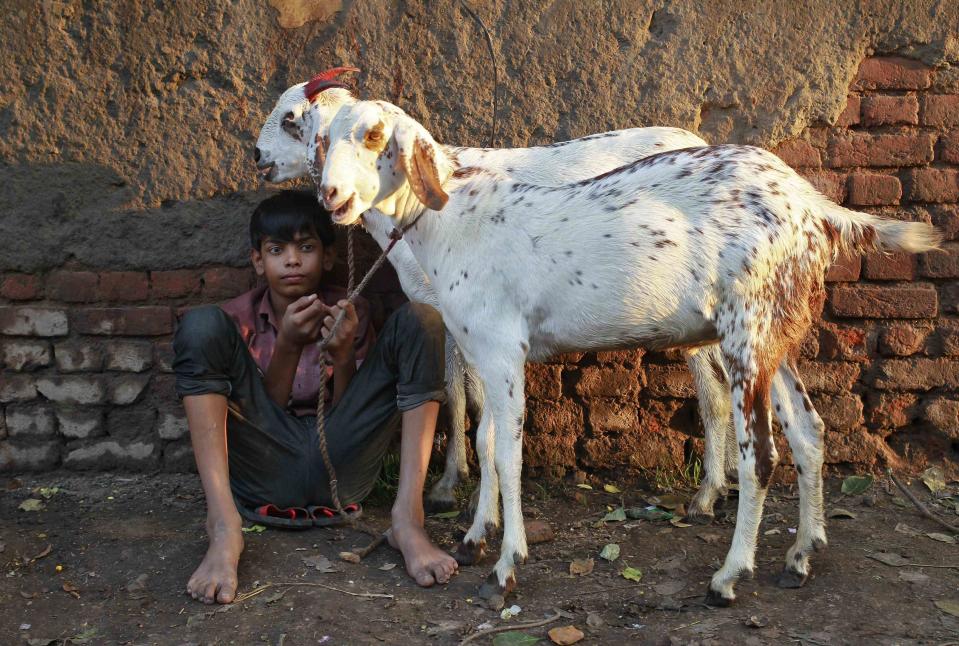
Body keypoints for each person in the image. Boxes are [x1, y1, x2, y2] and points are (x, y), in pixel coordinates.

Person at [173, 190, 458, 604]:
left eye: (305, 247)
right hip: (264, 467)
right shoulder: (239, 320)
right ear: (258, 261)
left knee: (421, 320)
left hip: (342, 469)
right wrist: (287, 346)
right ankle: (223, 526)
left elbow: (351, 416)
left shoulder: (349, 310)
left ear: (327, 257)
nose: (292, 260)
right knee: (200, 326)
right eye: (277, 249)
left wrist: (343, 357)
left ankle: (408, 521)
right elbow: (261, 415)